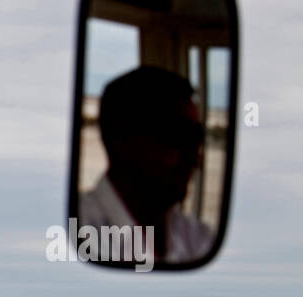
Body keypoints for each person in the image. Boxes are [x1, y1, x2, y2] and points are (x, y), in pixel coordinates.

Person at [79, 65, 214, 266]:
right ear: (123, 140)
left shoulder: (196, 237)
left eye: (197, 139)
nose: (196, 160)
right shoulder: (78, 232)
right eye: (179, 137)